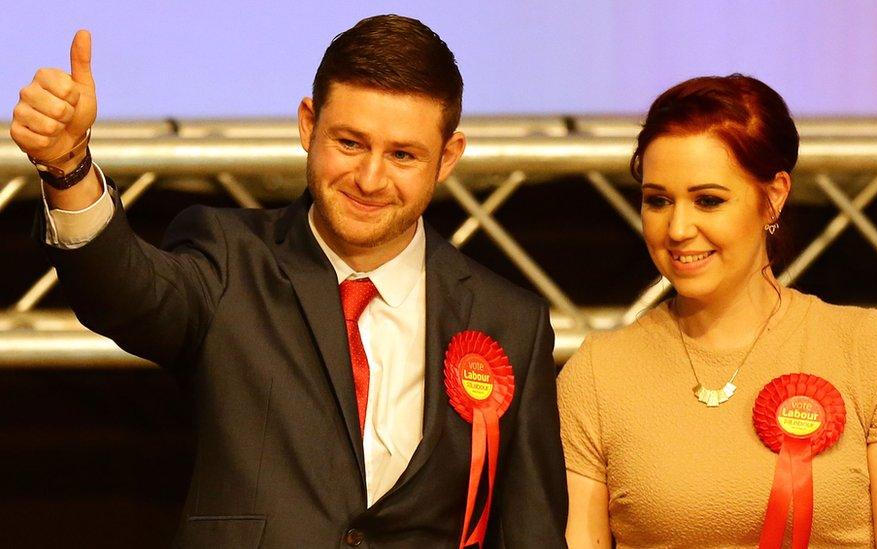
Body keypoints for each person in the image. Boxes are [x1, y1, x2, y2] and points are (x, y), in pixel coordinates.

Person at [10, 15, 567, 547]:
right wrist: (69, 167)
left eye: (403, 155)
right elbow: (123, 293)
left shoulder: (509, 322)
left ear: (448, 157)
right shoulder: (229, 257)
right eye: (350, 143)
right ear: (308, 124)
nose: (370, 179)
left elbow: (530, 531)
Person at [558, 75, 877, 548]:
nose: (678, 228)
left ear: (775, 195)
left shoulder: (865, 350)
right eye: (657, 201)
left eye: (709, 200)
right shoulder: (598, 374)